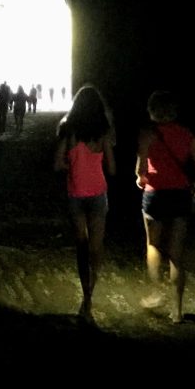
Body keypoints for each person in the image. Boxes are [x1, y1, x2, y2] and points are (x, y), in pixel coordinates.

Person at [134, 89, 195, 324]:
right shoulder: (187, 134)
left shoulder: (147, 135)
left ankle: (157, 293)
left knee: (153, 245)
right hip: (181, 196)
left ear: (152, 110)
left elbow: (140, 170)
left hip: (155, 195)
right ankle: (177, 310)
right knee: (177, 254)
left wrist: (141, 179)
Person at [53, 84, 116, 323]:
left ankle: (85, 296)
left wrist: (74, 166)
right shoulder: (103, 133)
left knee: (82, 245)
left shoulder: (68, 131)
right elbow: (112, 168)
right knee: (96, 248)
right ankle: (90, 295)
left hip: (76, 195)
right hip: (98, 194)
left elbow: (57, 164)